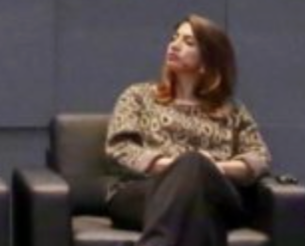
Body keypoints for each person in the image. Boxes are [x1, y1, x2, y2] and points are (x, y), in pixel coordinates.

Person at [105, 15, 271, 246]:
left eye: (188, 42)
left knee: (195, 171)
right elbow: (120, 149)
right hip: (144, 192)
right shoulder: (138, 96)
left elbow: (259, 158)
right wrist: (179, 166)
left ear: (208, 60)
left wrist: (211, 168)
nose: (174, 45)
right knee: (193, 187)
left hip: (214, 193)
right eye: (174, 39)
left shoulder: (231, 109)